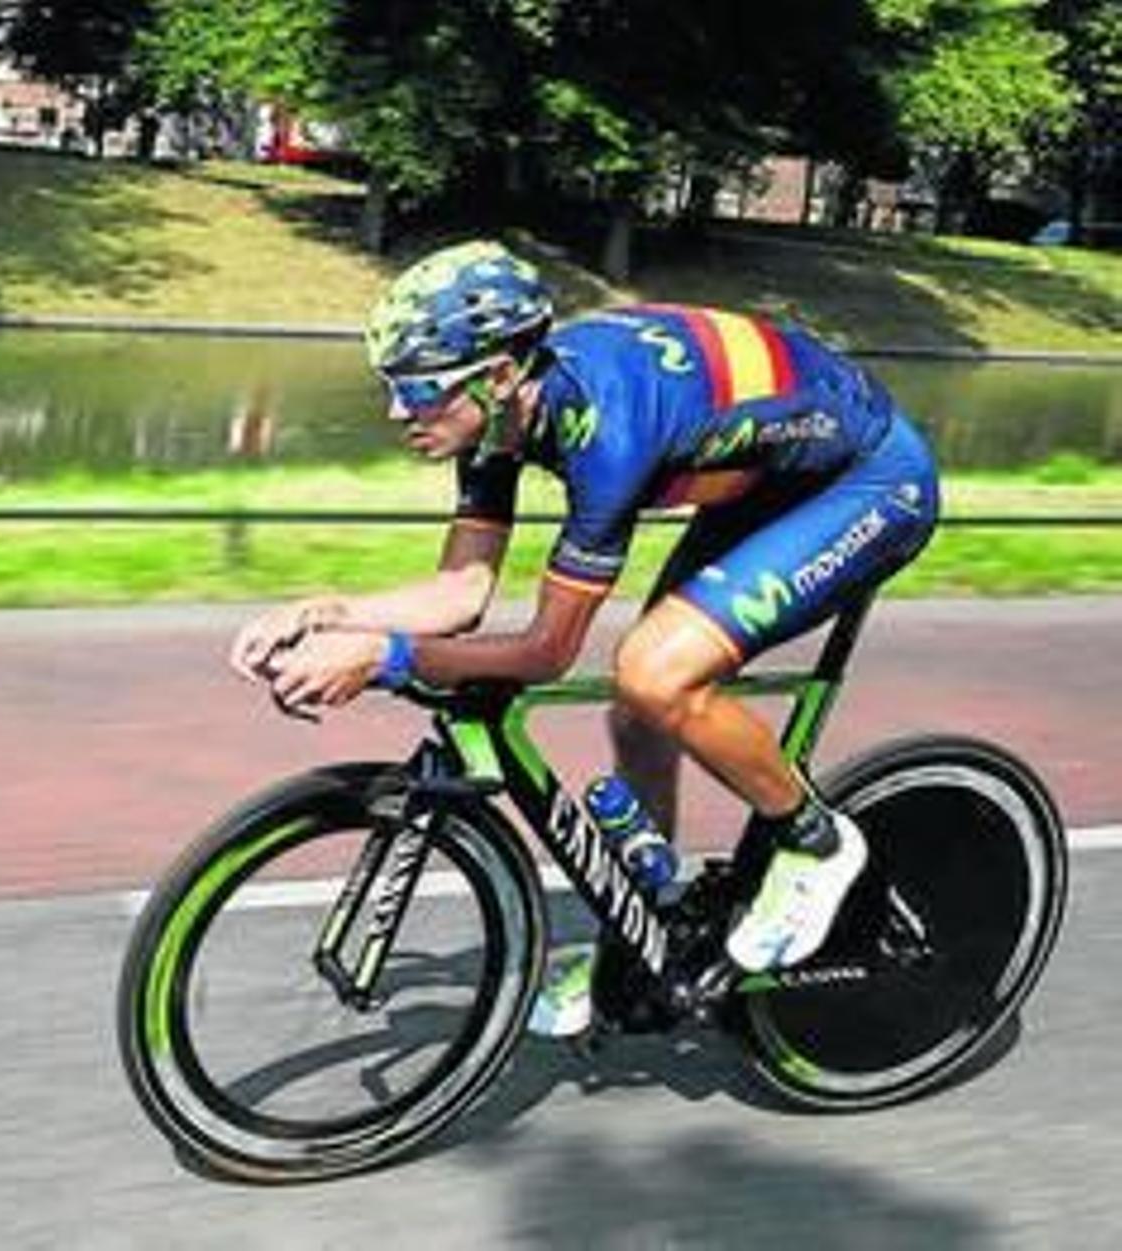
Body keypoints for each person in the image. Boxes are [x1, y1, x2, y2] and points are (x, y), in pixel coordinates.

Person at [229, 240, 939, 976]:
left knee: (655, 674)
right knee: (636, 714)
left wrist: (386, 656)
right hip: (763, 484)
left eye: (416, 389)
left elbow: (547, 650)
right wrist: (331, 613)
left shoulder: (606, 431)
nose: (395, 409)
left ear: (499, 375)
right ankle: (646, 943)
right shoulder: (496, 417)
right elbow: (461, 592)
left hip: (870, 482)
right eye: (392, 384)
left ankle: (817, 844)